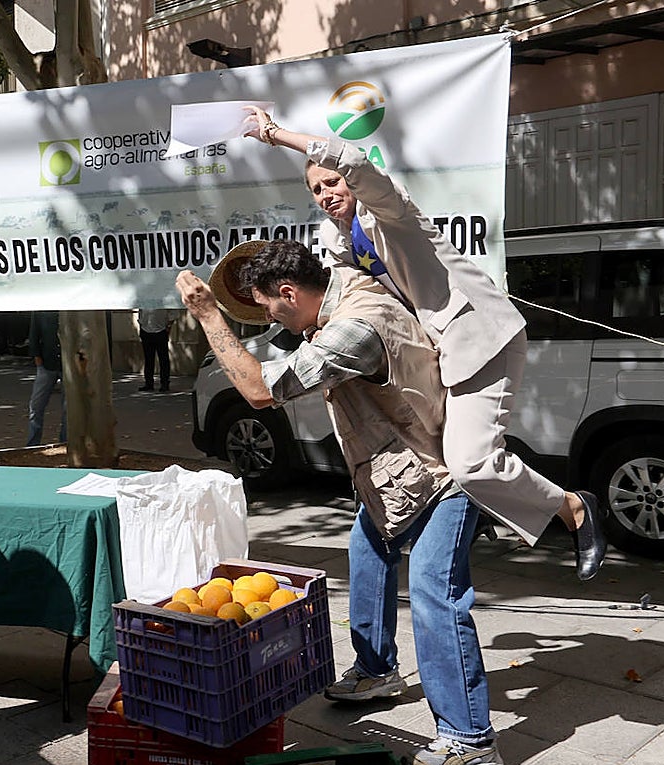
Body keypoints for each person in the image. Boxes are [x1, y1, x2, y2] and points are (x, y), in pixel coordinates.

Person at [177, 239, 503, 765]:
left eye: (268, 307)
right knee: (368, 552)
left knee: (433, 594)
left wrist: (210, 315)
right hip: (398, 471)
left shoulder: (357, 328)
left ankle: (470, 739)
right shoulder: (348, 287)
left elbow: (260, 391)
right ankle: (377, 671)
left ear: (289, 292)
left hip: (444, 473)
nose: (267, 318)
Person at [240, 108, 606, 582]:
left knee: (472, 464)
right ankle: (484, 517)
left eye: (333, 183)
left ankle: (575, 509)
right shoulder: (335, 241)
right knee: (444, 459)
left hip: (479, 336)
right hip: (435, 356)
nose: (328, 194)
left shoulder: (391, 211)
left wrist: (274, 134)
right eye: (317, 190)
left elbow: (352, 159)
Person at [27, 310, 66, 446]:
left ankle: (64, 442)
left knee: (68, 408)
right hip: (47, 362)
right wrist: (37, 357)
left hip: (67, 364)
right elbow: (34, 332)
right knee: (36, 405)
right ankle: (32, 443)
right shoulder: (42, 309)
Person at [137, 308, 173, 392]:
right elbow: (141, 312)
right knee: (148, 359)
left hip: (160, 331)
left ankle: (164, 384)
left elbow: (173, 313)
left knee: (163, 359)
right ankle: (148, 383)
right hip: (146, 330)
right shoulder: (145, 298)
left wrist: (168, 328)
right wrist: (141, 325)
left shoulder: (163, 298)